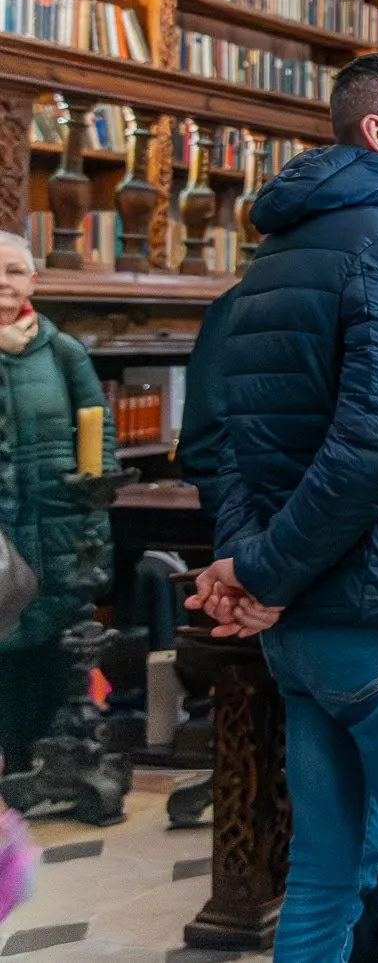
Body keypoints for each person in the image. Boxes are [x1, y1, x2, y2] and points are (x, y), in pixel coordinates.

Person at [185, 52, 378, 963]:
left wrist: (251, 568)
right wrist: (264, 571)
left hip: (306, 628)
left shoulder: (275, 256)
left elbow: (240, 438)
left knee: (326, 870)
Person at [0, 231, 117, 771]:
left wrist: (90, 502)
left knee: (46, 642)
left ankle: (33, 764)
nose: (4, 283)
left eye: (15, 271)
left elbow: (100, 436)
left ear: (32, 282)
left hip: (54, 524)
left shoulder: (64, 352)